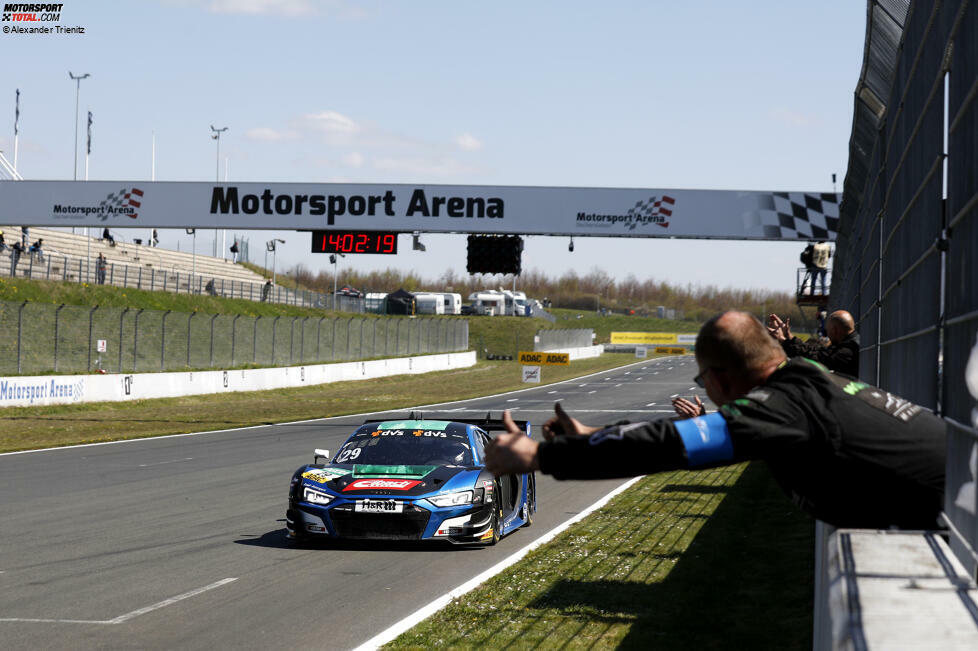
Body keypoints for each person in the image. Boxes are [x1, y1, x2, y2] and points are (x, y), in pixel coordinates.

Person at [486, 311, 946, 530]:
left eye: (703, 379)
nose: (705, 389)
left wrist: (543, 454)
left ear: (721, 377)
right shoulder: (806, 376)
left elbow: (676, 444)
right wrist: (594, 438)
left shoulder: (780, 406)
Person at [768, 310, 859, 377]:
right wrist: (789, 337)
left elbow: (816, 358)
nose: (827, 333)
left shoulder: (847, 351)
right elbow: (817, 351)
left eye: (827, 330)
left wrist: (783, 341)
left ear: (835, 330)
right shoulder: (849, 343)